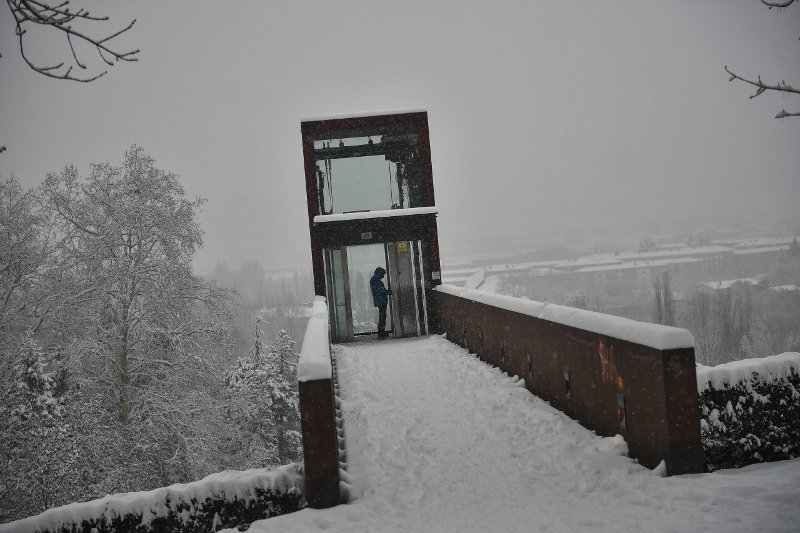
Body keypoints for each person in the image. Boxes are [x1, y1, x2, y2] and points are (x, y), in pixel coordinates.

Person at [370, 267, 392, 338]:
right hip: (381, 301)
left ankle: (381, 332)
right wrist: (389, 292)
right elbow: (381, 290)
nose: (383, 276)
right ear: (379, 273)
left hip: (381, 300)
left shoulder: (375, 280)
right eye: (382, 274)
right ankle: (381, 332)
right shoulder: (376, 280)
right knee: (382, 317)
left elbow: (380, 290)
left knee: (382, 316)